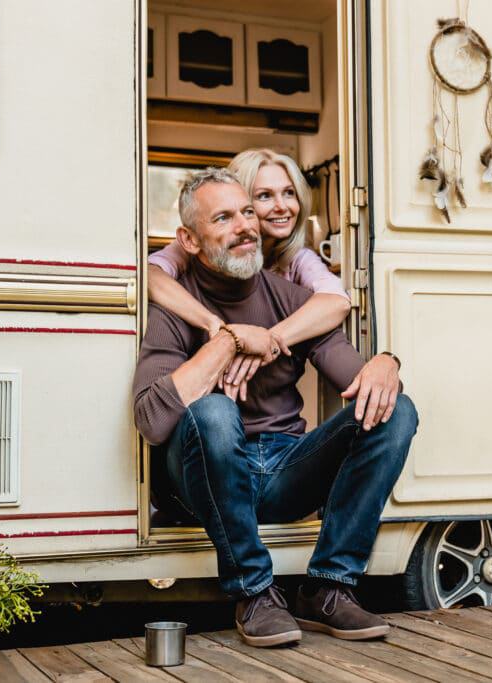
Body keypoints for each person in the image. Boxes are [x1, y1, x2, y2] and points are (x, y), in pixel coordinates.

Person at [132, 167, 418, 647]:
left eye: (247, 212)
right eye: (223, 217)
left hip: (285, 469)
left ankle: (329, 587)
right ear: (190, 240)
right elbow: (153, 421)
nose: (245, 225)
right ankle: (255, 593)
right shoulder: (174, 308)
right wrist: (226, 341)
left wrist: (387, 364)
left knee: (396, 409)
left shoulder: (290, 299)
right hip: (204, 482)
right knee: (215, 413)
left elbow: (357, 380)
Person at [148, 148, 351, 400]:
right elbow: (150, 277)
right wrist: (217, 327)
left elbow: (337, 301)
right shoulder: (194, 246)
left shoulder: (297, 259)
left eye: (289, 193)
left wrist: (268, 339)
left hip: (264, 389)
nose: (282, 206)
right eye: (265, 196)